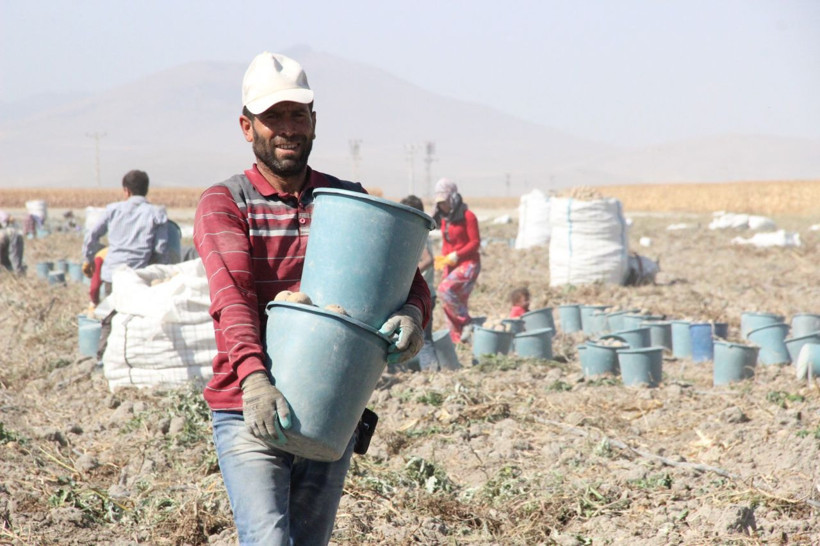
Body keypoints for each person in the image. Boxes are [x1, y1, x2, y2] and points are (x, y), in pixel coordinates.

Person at [193, 51, 431, 545]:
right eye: (272, 117)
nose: (287, 128)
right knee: (268, 540)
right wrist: (257, 381)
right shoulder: (226, 202)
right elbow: (232, 298)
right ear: (247, 127)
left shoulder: (345, 199)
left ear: (314, 121)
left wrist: (413, 311)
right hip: (248, 405)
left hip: (332, 405)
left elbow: (407, 276)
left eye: (297, 115)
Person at [81, 169, 170, 359]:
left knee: (109, 318)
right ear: (146, 190)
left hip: (112, 275)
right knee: (137, 318)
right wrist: (157, 273)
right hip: (138, 276)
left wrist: (88, 258)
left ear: (126, 191)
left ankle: (103, 358)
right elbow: (161, 249)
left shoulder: (113, 210)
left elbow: (92, 235)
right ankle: (133, 358)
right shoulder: (157, 214)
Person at [433, 178, 481, 344]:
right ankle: (459, 341)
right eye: (440, 203)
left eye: (445, 202)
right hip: (452, 264)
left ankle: (467, 322)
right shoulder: (445, 219)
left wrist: (457, 255)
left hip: (469, 264)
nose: (442, 206)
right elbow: (446, 243)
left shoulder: (468, 216)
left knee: (445, 291)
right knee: (453, 302)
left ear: (452, 198)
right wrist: (445, 261)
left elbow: (475, 243)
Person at [400, 195, 440, 371]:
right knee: (424, 338)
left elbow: (428, 259)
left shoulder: (417, 233)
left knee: (423, 338)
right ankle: (430, 371)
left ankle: (431, 373)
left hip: (424, 296)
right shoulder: (423, 231)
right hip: (428, 293)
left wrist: (407, 273)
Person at [0, 210, 26, 275]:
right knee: (15, 259)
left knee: (13, 259)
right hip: (11, 233)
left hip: (7, 234)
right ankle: (17, 273)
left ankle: (17, 275)